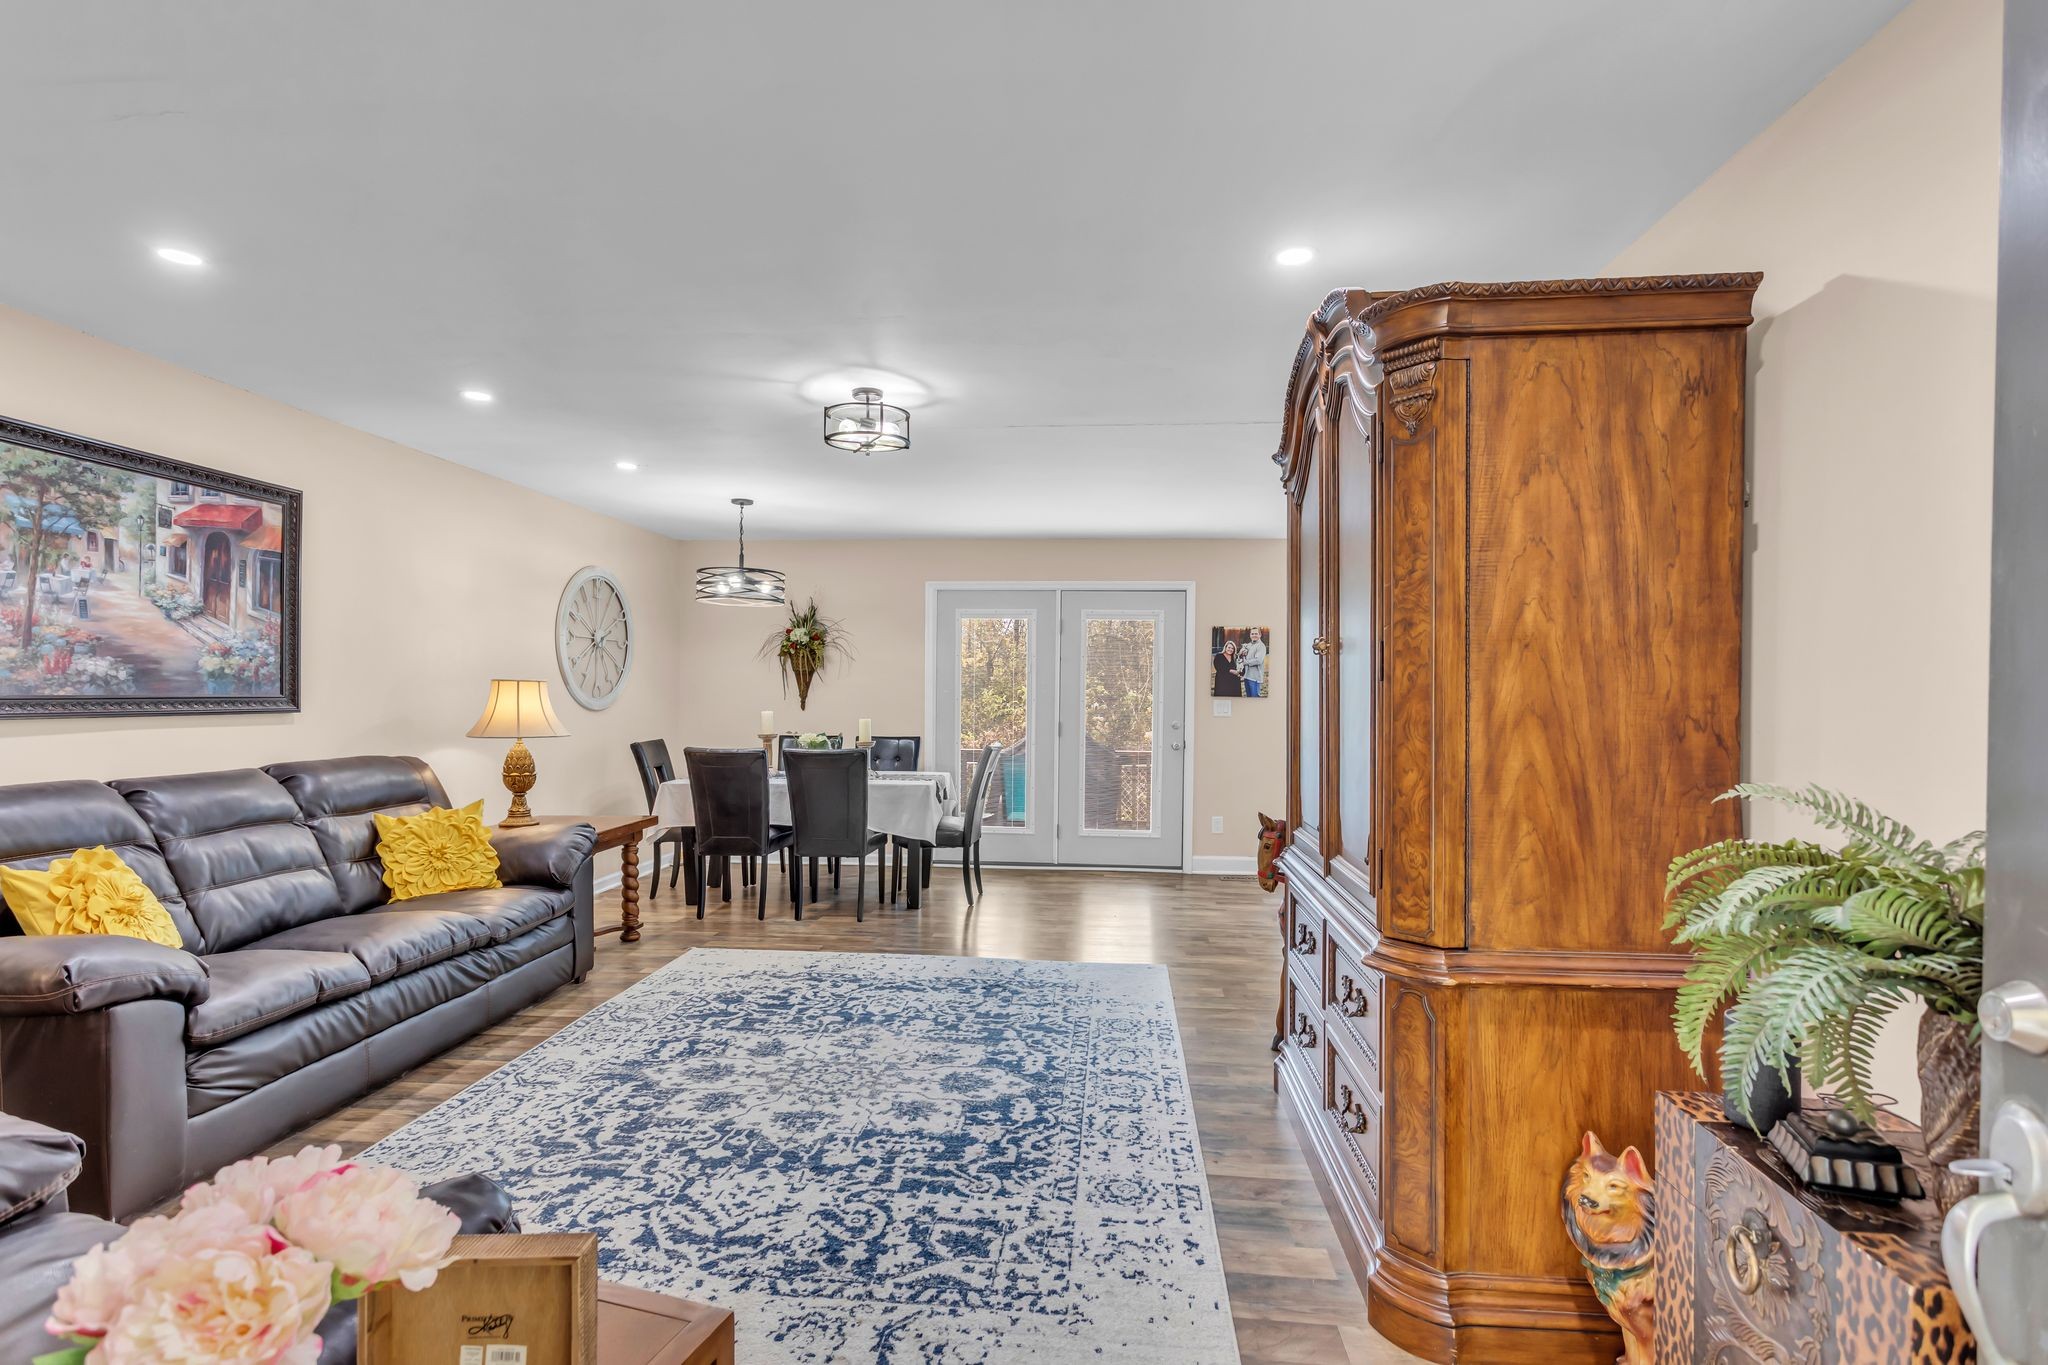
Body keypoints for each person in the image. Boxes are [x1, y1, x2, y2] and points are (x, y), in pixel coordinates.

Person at [1238, 626, 1267, 698]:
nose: (1254, 635)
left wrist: (1245, 662)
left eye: (1256, 634)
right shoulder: (1248, 645)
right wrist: (1241, 653)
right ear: (1250, 635)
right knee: (1249, 698)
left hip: (1255, 678)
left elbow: (1258, 660)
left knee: (1255, 698)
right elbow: (1241, 656)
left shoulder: (1261, 646)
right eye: (1252, 634)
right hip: (1247, 676)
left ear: (1260, 635)